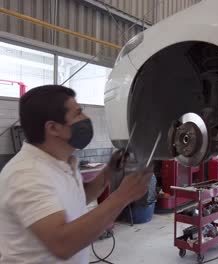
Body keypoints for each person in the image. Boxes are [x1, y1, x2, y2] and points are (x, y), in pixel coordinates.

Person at [0, 85, 153, 263]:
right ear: (53, 128)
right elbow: (62, 243)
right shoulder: (27, 174)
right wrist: (122, 196)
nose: (86, 119)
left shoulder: (62, 161)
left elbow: (76, 198)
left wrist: (108, 173)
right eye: (78, 113)